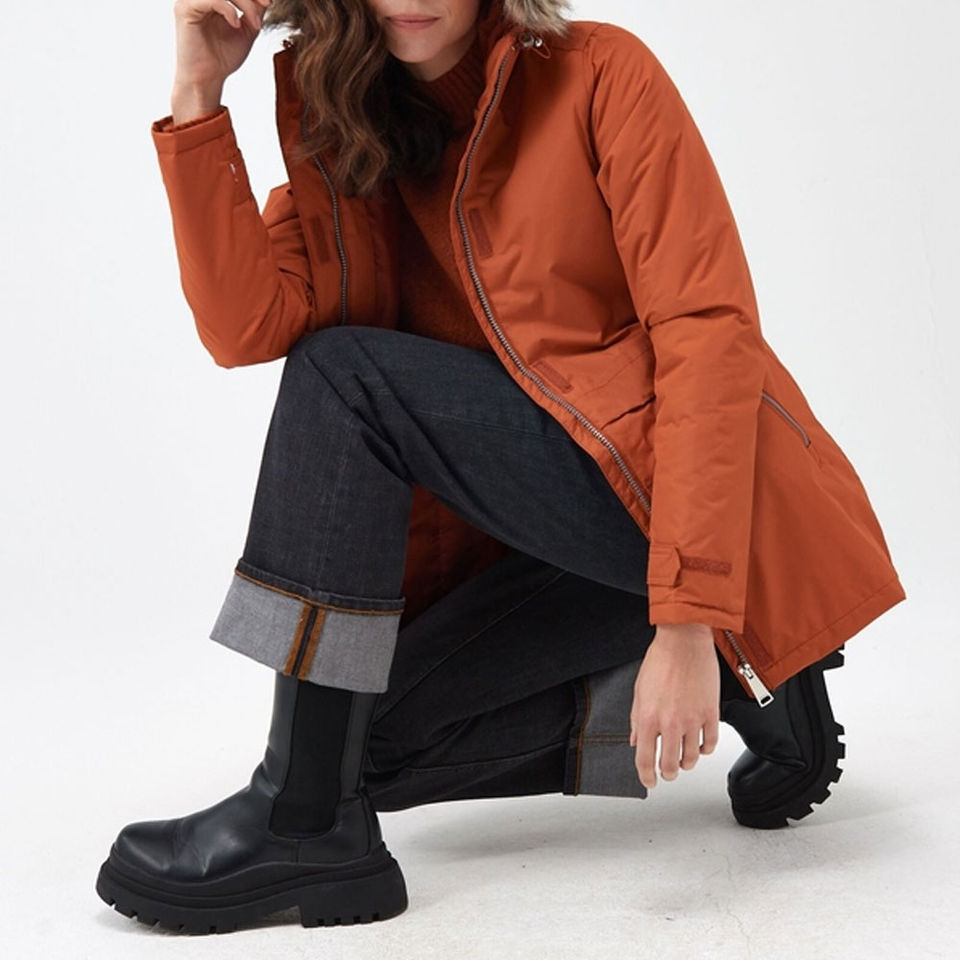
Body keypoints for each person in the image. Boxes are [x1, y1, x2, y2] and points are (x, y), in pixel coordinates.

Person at [95, 0, 905, 935]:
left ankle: (305, 824)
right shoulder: (351, 124)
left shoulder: (601, 74)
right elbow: (244, 327)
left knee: (343, 377)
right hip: (551, 538)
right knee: (362, 745)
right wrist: (199, 94)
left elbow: (708, 340)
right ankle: (748, 679)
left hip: (684, 510)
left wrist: (689, 620)